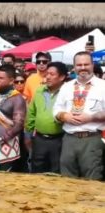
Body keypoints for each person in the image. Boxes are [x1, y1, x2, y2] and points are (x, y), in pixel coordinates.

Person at [53, 51, 105, 180]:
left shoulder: (102, 86)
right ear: (74, 67)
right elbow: (56, 109)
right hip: (69, 139)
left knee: (92, 179)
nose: (83, 68)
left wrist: (91, 117)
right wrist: (64, 116)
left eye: (86, 64)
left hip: (92, 139)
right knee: (67, 179)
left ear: (93, 65)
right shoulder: (66, 87)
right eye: (79, 64)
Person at [26, 62, 67, 174]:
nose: (47, 77)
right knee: (36, 170)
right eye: (47, 74)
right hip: (39, 139)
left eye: (52, 74)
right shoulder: (39, 90)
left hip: (59, 139)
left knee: (56, 171)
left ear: (62, 77)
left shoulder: (67, 92)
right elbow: (32, 113)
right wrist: (28, 134)